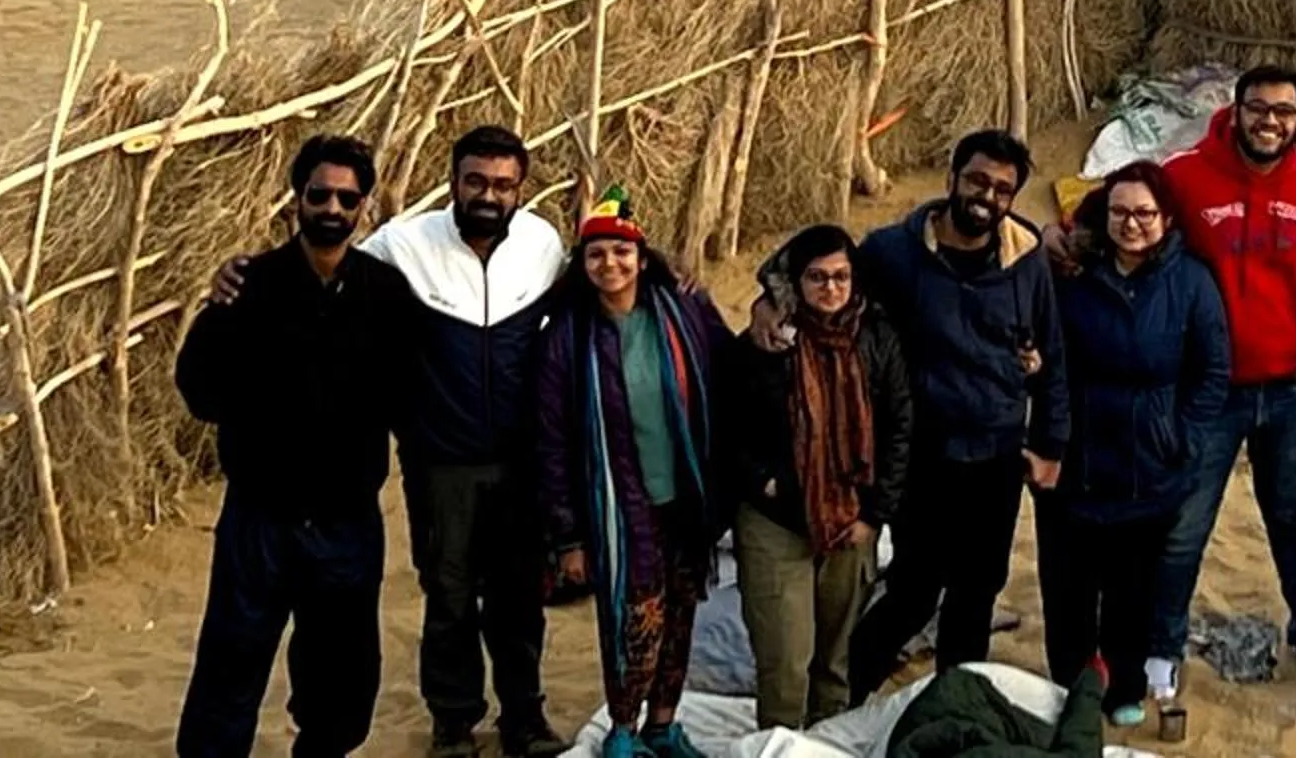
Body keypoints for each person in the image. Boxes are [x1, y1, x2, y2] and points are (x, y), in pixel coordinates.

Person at [173, 134, 421, 758]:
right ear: (297, 199)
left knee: (341, 677)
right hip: (260, 520)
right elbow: (199, 388)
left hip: (345, 526)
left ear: (364, 205)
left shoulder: (386, 296)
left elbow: (410, 395)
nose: (332, 208)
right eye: (320, 195)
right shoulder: (249, 285)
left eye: (347, 197)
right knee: (231, 663)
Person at [362, 125, 571, 758]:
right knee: (449, 594)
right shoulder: (403, 244)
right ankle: (453, 722)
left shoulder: (541, 243)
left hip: (520, 461)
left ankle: (523, 719)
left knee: (518, 597)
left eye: (504, 185)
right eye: (476, 180)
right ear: (453, 181)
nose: (489, 194)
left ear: (521, 190)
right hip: (440, 461)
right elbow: (331, 270)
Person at [847, 129, 1071, 701]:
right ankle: (843, 694)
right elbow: (818, 277)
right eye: (977, 180)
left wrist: (1049, 442)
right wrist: (768, 300)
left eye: (1002, 189)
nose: (987, 197)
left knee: (977, 590)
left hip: (995, 453)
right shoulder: (892, 253)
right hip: (920, 452)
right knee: (914, 589)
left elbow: (1051, 354)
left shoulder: (1026, 261)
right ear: (951, 179)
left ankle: (954, 707)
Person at [1157, 64, 1296, 701]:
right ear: (1235, 110)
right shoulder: (1185, 177)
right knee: (1186, 524)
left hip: (1295, 389)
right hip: (1210, 390)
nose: (1270, 121)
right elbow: (1118, 218)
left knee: (1294, 525)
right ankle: (1162, 645)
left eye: (1284, 111)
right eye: (1259, 108)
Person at [537, 187, 733, 758]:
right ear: (583, 264)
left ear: (642, 259)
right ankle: (623, 731)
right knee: (632, 623)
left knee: (680, 617)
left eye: (621, 253)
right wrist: (567, 536)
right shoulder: (568, 339)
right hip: (620, 509)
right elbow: (551, 444)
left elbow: (728, 375)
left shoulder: (684, 313)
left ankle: (663, 726)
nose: (610, 264)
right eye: (596, 254)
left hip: (686, 500)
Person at [1039, 162, 1230, 729]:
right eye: (1120, 211)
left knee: (1132, 592)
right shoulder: (1070, 272)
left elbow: (1213, 370)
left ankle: (1125, 684)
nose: (1131, 224)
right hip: (1076, 457)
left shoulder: (1191, 281)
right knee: (1068, 590)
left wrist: (1184, 436)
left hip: (1152, 464)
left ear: (1166, 218)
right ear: (1104, 212)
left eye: (1144, 213)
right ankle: (1069, 688)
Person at [727, 225, 914, 732]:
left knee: (834, 664)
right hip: (775, 522)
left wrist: (875, 515)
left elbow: (899, 426)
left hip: (850, 521)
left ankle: (826, 742)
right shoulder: (766, 342)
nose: (830, 289)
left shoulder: (876, 337)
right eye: (816, 278)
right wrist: (765, 482)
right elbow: (728, 425)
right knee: (785, 664)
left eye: (840, 277)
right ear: (795, 281)